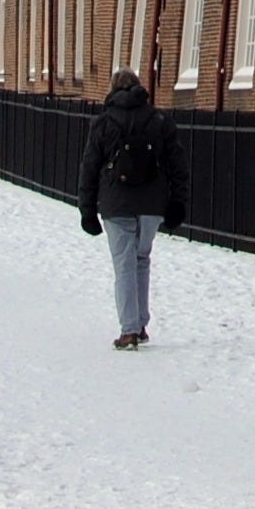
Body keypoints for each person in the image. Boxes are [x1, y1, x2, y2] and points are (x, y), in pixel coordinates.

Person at [75, 71, 186, 351]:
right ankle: (140, 322)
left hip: (116, 202)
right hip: (152, 203)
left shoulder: (103, 123)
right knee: (141, 258)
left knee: (123, 264)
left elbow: (89, 168)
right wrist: (177, 203)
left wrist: (87, 210)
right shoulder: (160, 121)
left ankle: (129, 330)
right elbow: (177, 165)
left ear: (112, 90)